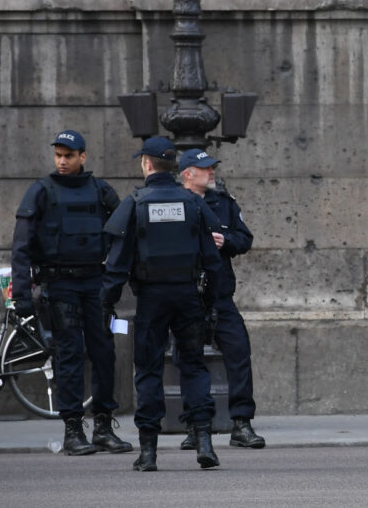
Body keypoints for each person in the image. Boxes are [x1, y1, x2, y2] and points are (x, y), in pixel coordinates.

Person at [101, 137, 223, 471]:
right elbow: (211, 260)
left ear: (147, 164)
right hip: (188, 295)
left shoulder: (136, 203)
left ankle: (149, 451)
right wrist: (210, 304)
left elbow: (118, 262)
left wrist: (106, 302)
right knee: (194, 366)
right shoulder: (192, 203)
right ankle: (204, 441)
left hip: (152, 298)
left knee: (149, 369)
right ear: (174, 167)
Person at [10, 130, 133, 455]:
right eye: (58, 155)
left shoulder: (100, 190)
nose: (62, 161)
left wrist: (115, 278)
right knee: (69, 355)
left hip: (95, 283)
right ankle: (73, 430)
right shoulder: (40, 192)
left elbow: (124, 233)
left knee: (105, 352)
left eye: (69, 155)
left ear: (83, 157)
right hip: (59, 284)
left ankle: (104, 427)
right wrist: (22, 296)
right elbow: (21, 247)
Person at [176, 149, 266, 450]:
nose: (211, 172)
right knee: (189, 360)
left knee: (239, 354)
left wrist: (226, 242)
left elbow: (245, 239)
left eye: (212, 167)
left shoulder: (224, 204)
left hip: (220, 297)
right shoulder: (174, 203)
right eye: (205, 168)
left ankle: (241, 424)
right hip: (188, 297)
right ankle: (195, 426)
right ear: (188, 173)